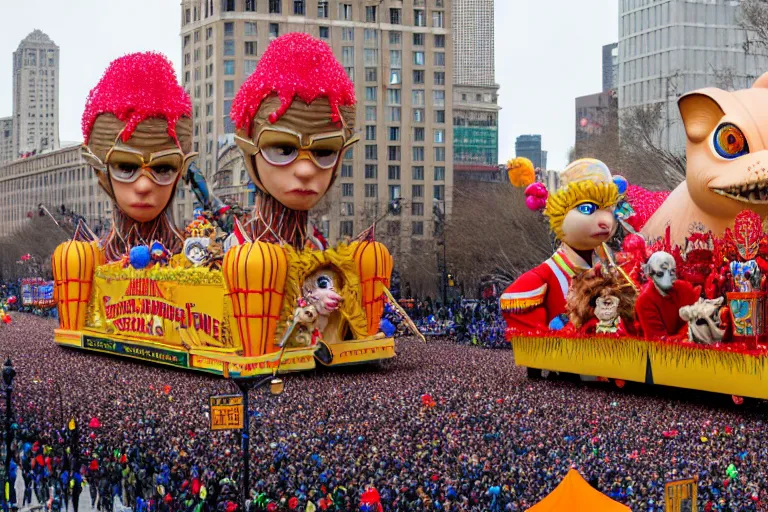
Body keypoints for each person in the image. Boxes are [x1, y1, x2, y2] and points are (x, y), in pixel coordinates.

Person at [230, 32, 357, 249]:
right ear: (248, 147)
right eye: (283, 148)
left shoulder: (320, 249)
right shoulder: (228, 254)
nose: (306, 171)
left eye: (324, 151)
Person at [79, 52, 195, 261]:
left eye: (162, 168)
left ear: (182, 168)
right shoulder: (84, 262)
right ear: (100, 168)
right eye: (125, 167)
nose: (143, 186)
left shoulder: (200, 260)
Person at [501, 159, 623, 331]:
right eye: (587, 208)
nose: (605, 221)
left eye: (609, 210)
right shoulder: (545, 277)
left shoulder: (618, 267)